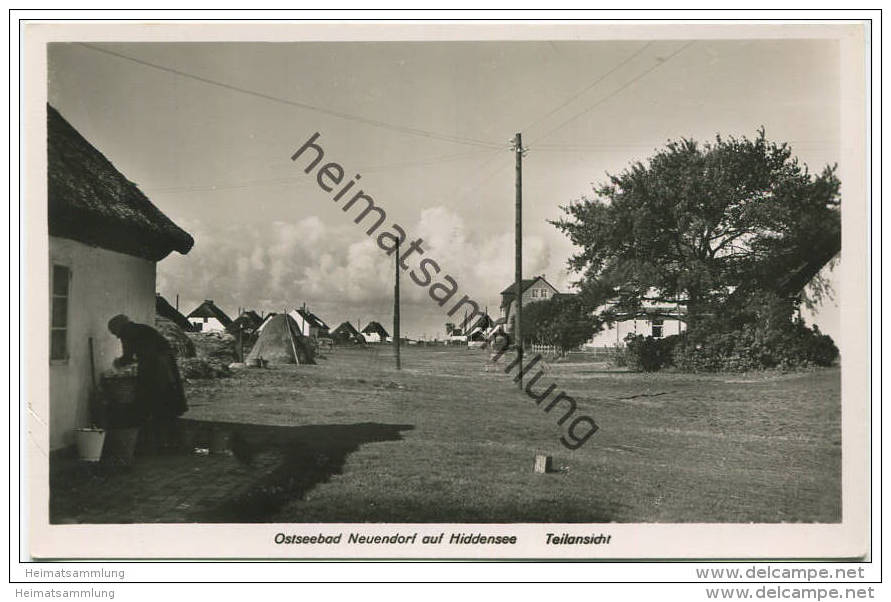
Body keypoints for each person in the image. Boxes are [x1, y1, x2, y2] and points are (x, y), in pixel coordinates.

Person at [107, 314, 187, 453]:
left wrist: (117, 363)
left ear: (119, 328)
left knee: (150, 400)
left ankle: (154, 444)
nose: (117, 337)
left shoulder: (127, 333)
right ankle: (170, 442)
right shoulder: (142, 328)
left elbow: (128, 357)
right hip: (165, 365)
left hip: (156, 368)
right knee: (167, 400)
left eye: (115, 333)